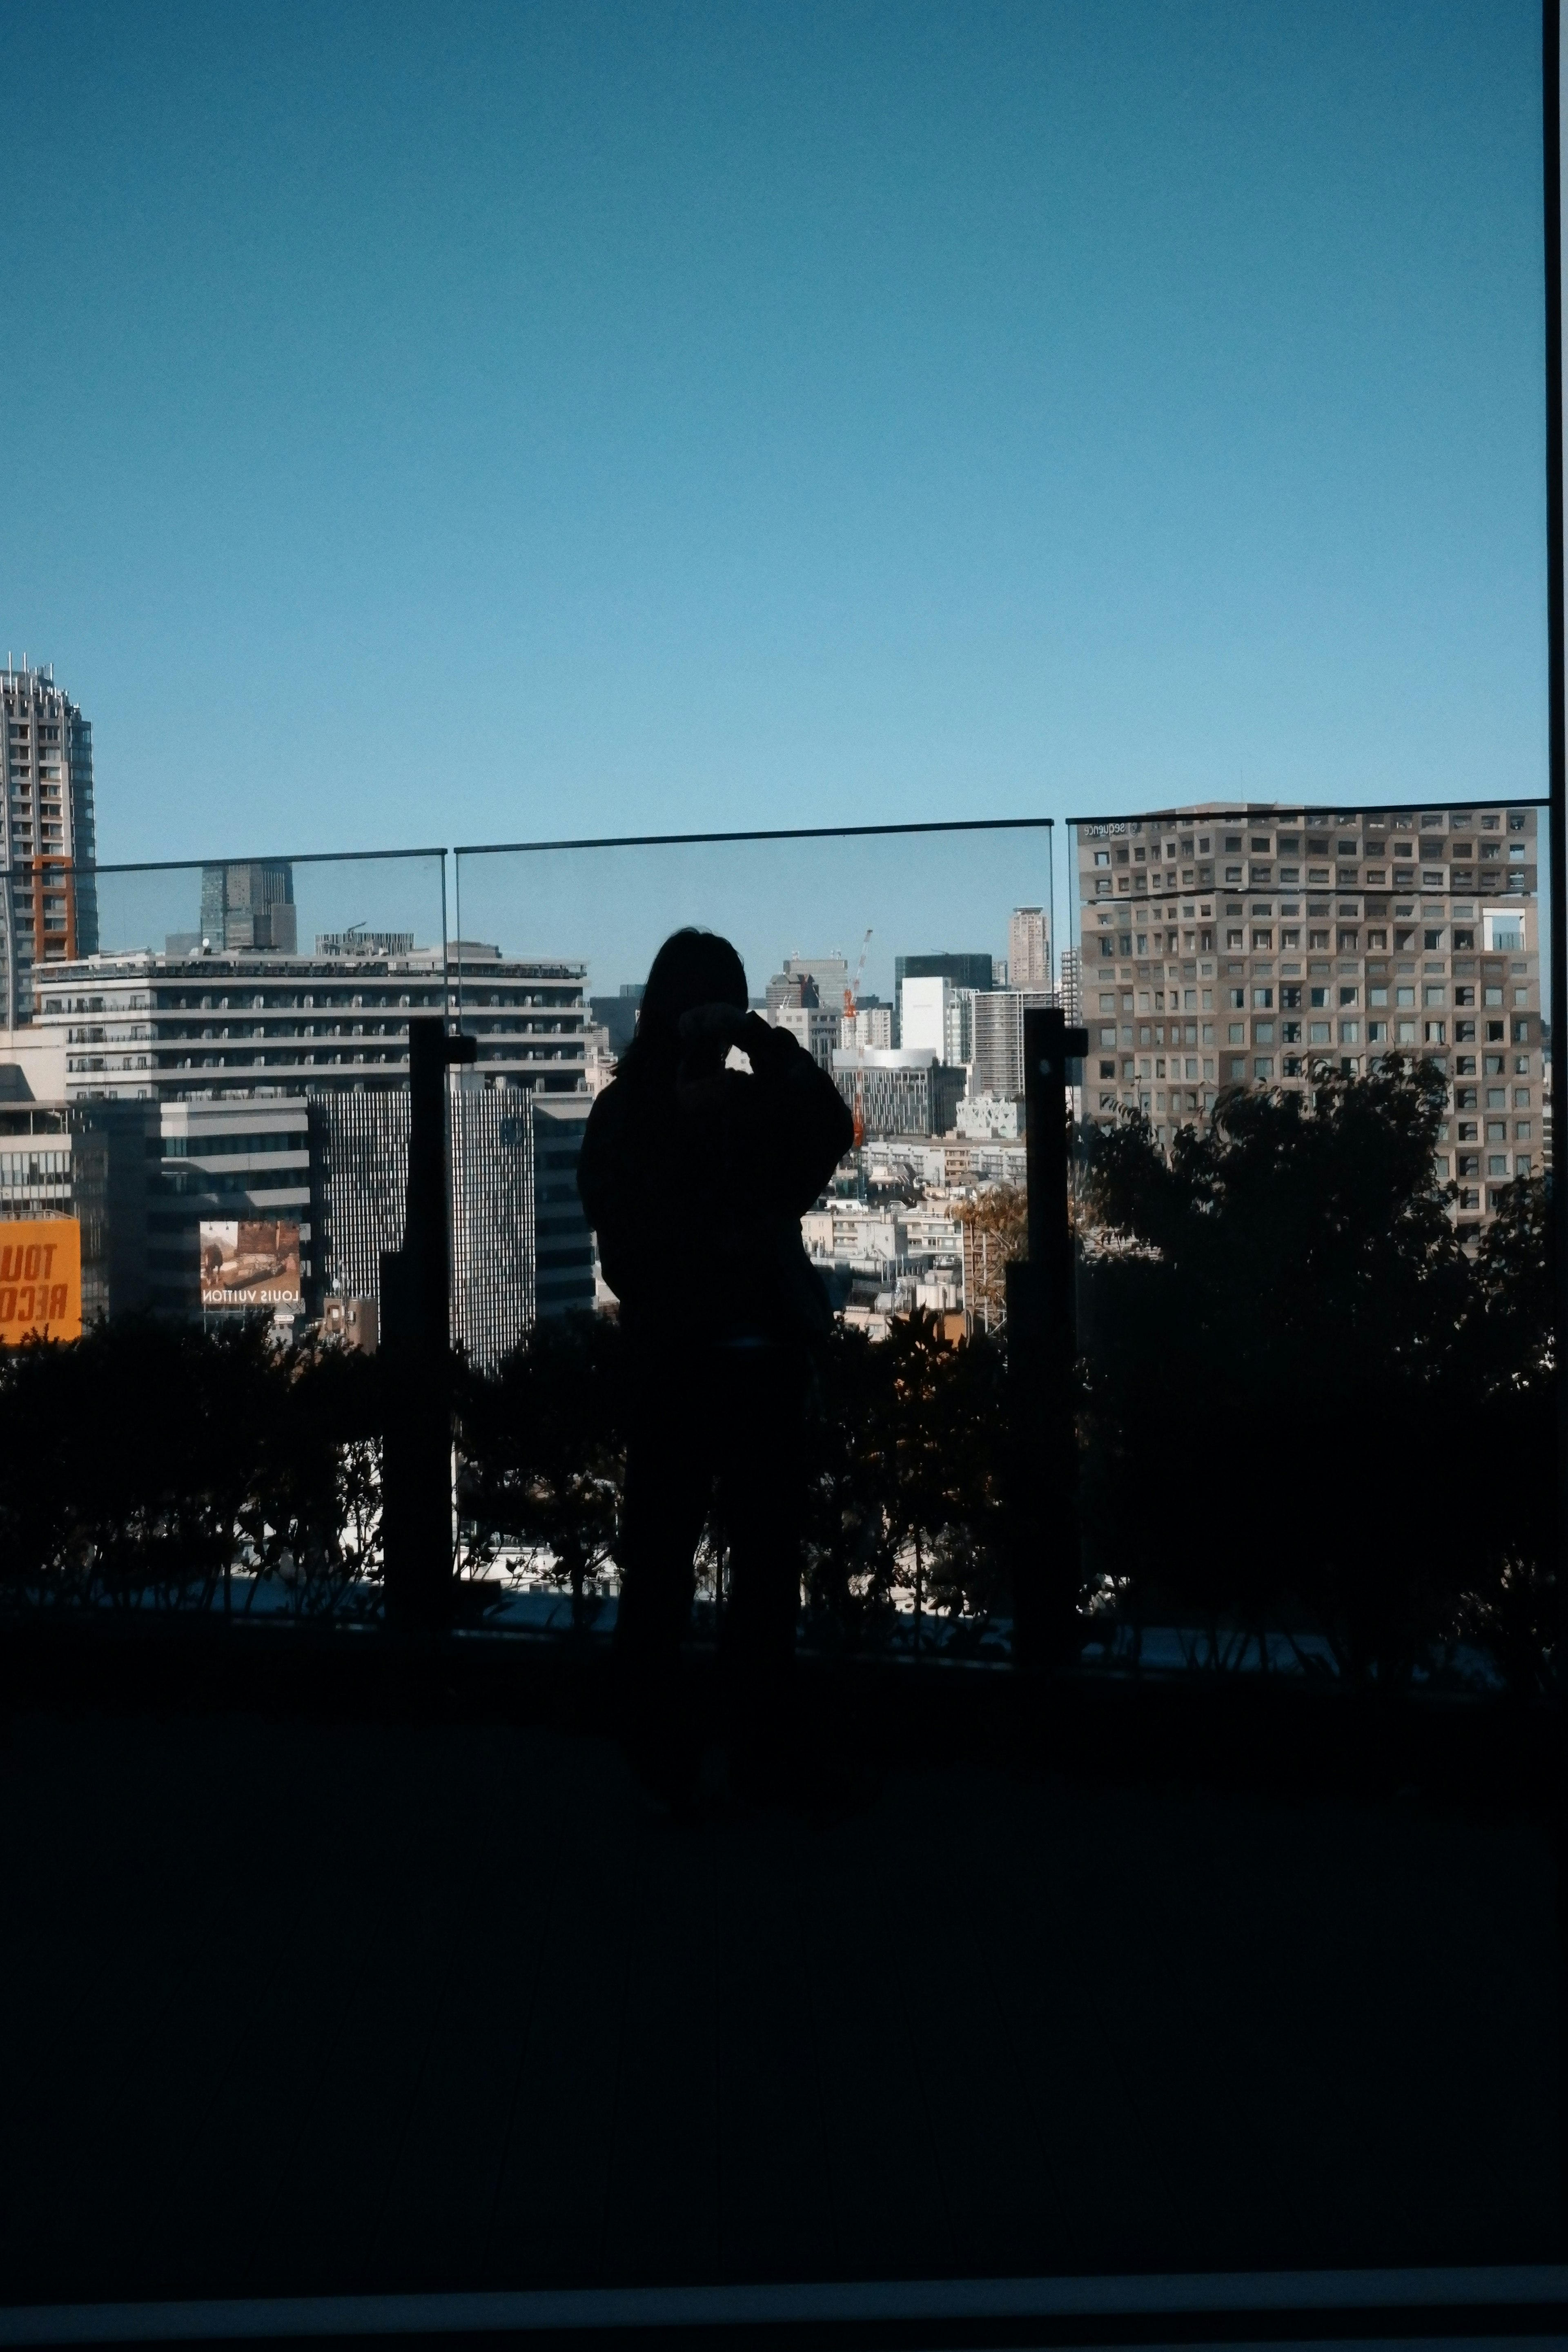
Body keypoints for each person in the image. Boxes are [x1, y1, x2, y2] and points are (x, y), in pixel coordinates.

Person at [577, 927, 854, 1807]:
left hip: (670, 1364)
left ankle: (661, 1758)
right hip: (759, 1360)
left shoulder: (622, 1114)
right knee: (764, 1569)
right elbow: (826, 1126)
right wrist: (754, 1041)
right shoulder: (748, 1106)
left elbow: (616, 1238)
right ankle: (758, 1748)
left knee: (659, 1564)